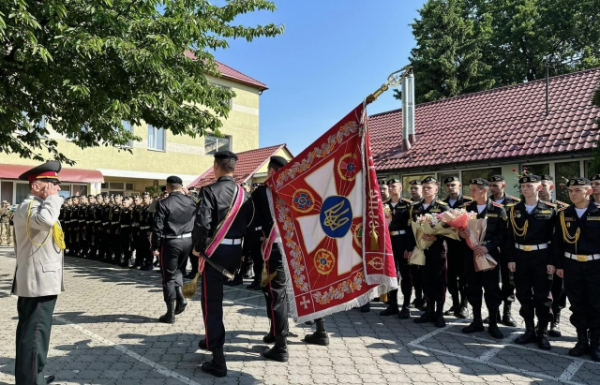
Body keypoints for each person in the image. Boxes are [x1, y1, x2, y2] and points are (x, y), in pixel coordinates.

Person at [192, 151, 254, 377]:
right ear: (234, 168)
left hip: (214, 254)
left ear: (216, 166)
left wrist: (198, 247)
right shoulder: (244, 195)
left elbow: (201, 224)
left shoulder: (208, 191)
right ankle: (210, 339)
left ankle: (218, 360)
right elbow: (249, 226)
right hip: (235, 252)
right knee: (212, 302)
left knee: (212, 304)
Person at [12, 161, 64, 385]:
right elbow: (46, 221)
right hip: (38, 281)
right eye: (51, 185)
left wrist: (51, 199)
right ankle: (32, 381)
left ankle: (32, 376)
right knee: (35, 334)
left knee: (31, 332)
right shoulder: (30, 206)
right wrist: (52, 200)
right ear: (36, 187)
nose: (57, 190)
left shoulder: (36, 206)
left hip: (38, 279)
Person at [506, 175, 556, 350]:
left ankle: (542, 333)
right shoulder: (514, 210)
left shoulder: (550, 210)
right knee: (524, 295)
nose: (525, 188)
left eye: (529, 185)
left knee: (543, 298)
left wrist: (552, 261)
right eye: (523, 186)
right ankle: (529, 330)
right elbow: (509, 237)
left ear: (539, 188)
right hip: (520, 257)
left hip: (542, 257)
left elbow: (555, 239)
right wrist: (511, 258)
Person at [250, 156, 291, 362]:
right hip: (292, 249)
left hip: (274, 249)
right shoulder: (293, 188)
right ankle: (275, 331)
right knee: (276, 292)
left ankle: (281, 345)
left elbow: (252, 219)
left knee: (276, 294)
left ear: (271, 172)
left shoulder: (261, 192)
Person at [555, 177, 600, 361]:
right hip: (572, 265)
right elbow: (557, 242)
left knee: (596, 305)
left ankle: (596, 343)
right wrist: (559, 265)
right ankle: (581, 341)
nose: (572, 194)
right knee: (577, 304)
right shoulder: (563, 214)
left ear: (588, 191)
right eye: (571, 191)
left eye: (577, 190)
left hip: (595, 265)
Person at [460, 178, 506, 339]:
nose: (470, 192)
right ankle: (477, 321)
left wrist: (488, 247)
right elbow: (459, 231)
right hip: (470, 254)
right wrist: (461, 234)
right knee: (473, 288)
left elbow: (503, 235)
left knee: (492, 289)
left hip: (488, 254)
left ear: (484, 191)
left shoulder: (498, 209)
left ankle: (493, 323)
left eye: (473, 189)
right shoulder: (466, 209)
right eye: (470, 189)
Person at [152, 176, 197, 323]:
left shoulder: (164, 203)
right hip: (188, 240)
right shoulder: (190, 200)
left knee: (168, 278)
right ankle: (181, 298)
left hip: (171, 242)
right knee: (179, 271)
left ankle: (170, 313)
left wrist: (155, 246)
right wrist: (189, 194)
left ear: (168, 187)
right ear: (181, 186)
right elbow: (200, 205)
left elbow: (157, 228)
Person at [407, 176, 450, 327]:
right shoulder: (415, 207)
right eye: (424, 187)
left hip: (437, 251)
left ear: (436, 190)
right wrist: (409, 248)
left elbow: (451, 230)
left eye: (429, 187)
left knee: (438, 281)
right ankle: (429, 310)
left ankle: (439, 313)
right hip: (420, 250)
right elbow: (410, 230)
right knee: (424, 280)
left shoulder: (443, 208)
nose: (426, 189)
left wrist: (436, 238)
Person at [539, 174, 569, 337]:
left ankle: (555, 319)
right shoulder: (532, 206)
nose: (541, 187)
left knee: (558, 289)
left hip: (557, 254)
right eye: (540, 185)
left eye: (544, 185)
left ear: (551, 187)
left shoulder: (562, 208)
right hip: (539, 254)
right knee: (539, 289)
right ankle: (541, 320)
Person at [488, 175, 519, 327]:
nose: (493, 188)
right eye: (491, 185)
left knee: (509, 281)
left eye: (495, 185)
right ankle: (495, 312)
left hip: (508, 248)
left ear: (503, 186)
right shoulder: (486, 203)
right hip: (491, 247)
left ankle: (507, 312)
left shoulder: (514, 204)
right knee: (492, 282)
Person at [380, 178, 413, 319]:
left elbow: (411, 228)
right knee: (391, 274)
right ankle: (392, 304)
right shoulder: (383, 205)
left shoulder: (407, 205)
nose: (391, 188)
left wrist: (409, 247)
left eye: (394, 186)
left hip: (402, 241)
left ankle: (406, 305)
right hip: (389, 242)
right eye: (389, 186)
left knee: (405, 275)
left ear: (400, 188)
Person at [443, 176, 471, 318]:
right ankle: (455, 304)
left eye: (453, 184)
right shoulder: (443, 203)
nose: (450, 187)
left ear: (459, 185)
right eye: (448, 185)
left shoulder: (467, 202)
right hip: (449, 246)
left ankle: (464, 305)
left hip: (464, 246)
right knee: (451, 278)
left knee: (464, 277)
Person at [408, 179, 426, 311]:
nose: (413, 190)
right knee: (415, 274)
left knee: (427, 274)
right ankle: (418, 297)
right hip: (414, 244)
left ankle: (426, 299)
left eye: (416, 188)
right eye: (411, 188)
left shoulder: (427, 204)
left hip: (428, 244)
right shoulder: (409, 206)